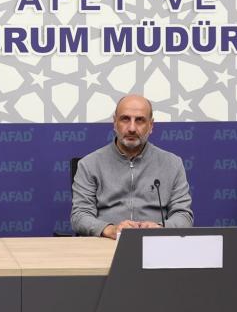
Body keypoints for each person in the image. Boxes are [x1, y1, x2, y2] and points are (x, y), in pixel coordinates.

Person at [71, 94, 193, 239]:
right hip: (107, 243)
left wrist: (160, 228)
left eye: (140, 120)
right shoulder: (89, 164)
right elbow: (80, 216)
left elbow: (183, 215)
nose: (132, 128)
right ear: (115, 123)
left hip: (155, 243)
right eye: (125, 119)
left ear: (151, 125)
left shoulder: (172, 164)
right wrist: (110, 229)